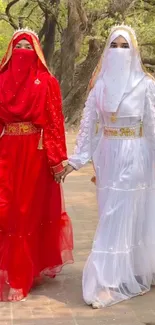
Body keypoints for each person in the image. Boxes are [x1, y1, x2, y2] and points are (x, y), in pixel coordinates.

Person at [63, 24, 155, 308]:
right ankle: (127, 271)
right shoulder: (99, 86)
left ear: (133, 51)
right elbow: (90, 125)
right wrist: (76, 160)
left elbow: (152, 125)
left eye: (124, 46)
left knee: (120, 213)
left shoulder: (146, 85)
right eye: (113, 46)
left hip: (135, 154)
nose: (118, 51)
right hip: (106, 157)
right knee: (110, 213)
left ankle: (107, 281)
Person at [0, 28, 73, 302]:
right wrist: (57, 161)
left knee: (24, 209)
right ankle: (14, 270)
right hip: (18, 153)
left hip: (29, 154)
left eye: (27, 48)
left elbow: (54, 124)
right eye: (19, 47)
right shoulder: (38, 80)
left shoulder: (46, 82)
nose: (22, 54)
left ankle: (23, 270)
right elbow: (54, 125)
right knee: (11, 209)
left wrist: (55, 161)